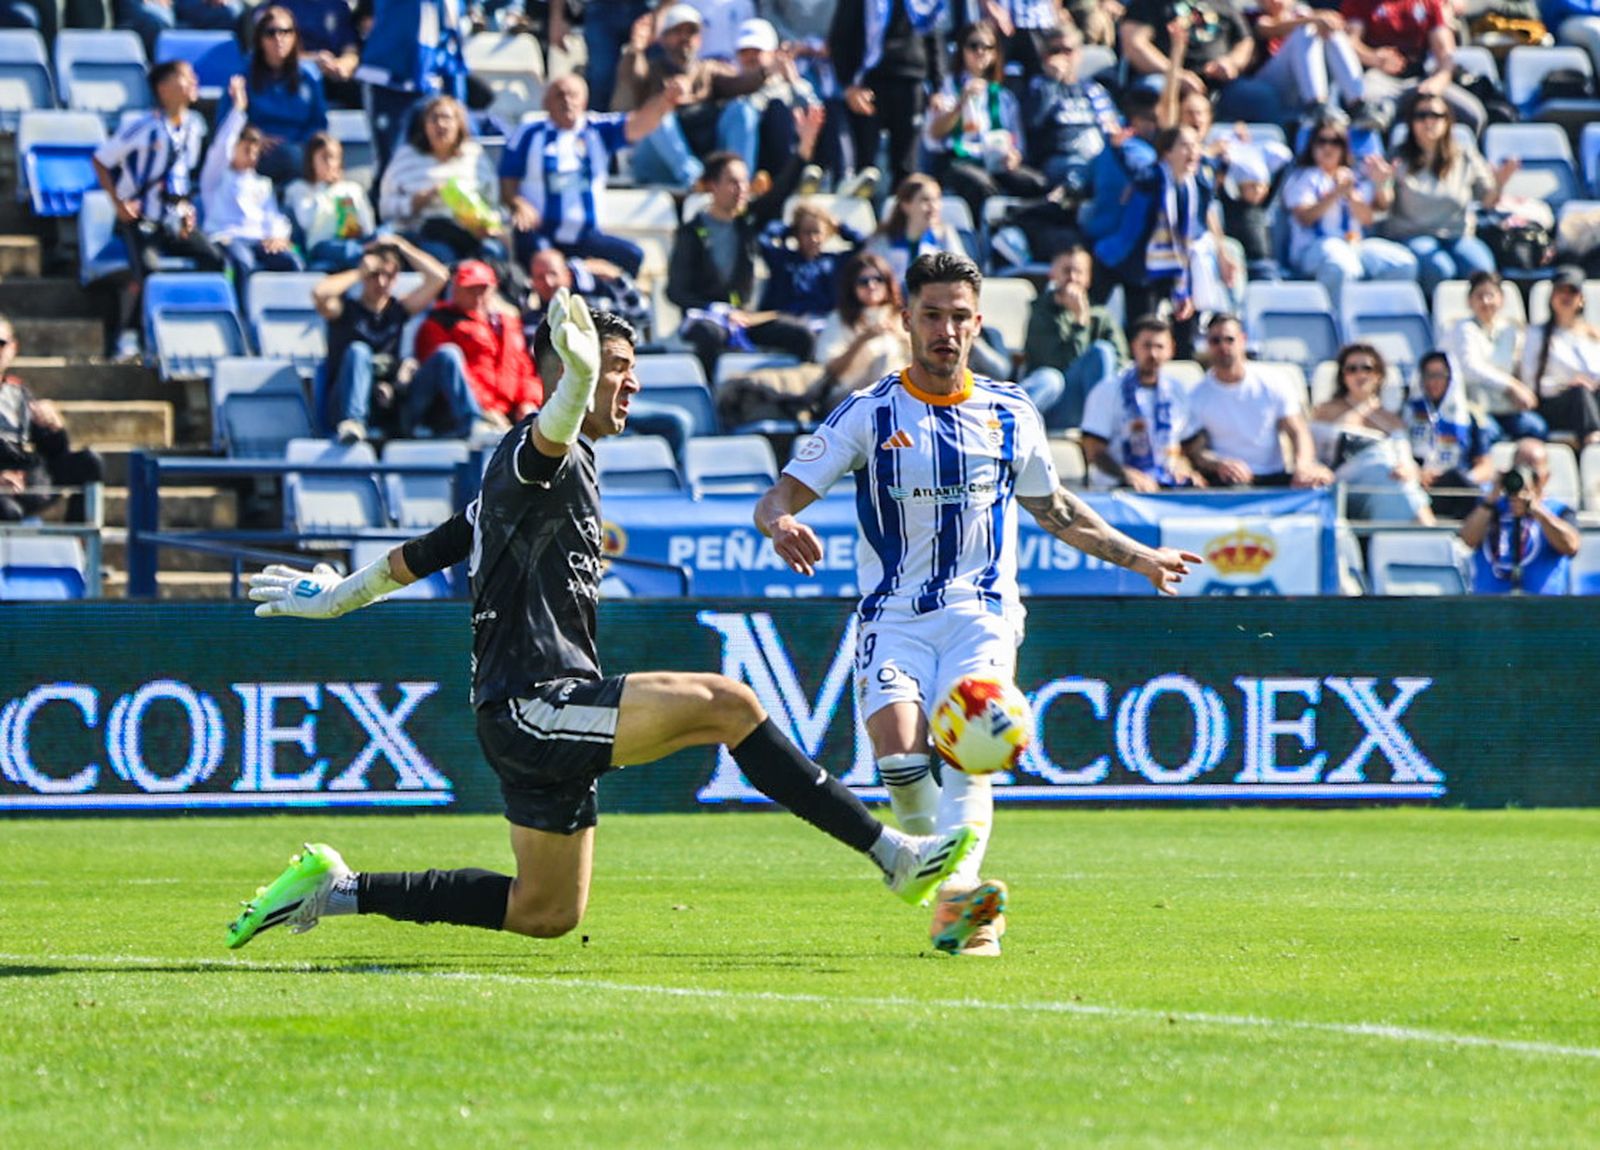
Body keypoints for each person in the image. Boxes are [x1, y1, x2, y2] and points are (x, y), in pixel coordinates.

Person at [228, 289, 981, 951]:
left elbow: (420, 554)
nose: (630, 383)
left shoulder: (529, 478)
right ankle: (892, 854)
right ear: (567, 366)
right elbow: (551, 428)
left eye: (629, 370)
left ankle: (335, 889)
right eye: (616, 367)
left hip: (533, 717)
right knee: (731, 704)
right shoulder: (538, 450)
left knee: (545, 911)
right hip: (536, 705)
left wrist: (334, 597)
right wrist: (580, 376)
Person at [753, 252, 1203, 956]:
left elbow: (1056, 509)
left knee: (973, 747)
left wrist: (1140, 557)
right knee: (900, 761)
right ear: (906, 320)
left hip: (982, 613)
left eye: (959, 316)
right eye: (931, 315)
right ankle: (929, 870)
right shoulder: (869, 413)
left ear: (978, 323)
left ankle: (960, 899)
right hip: (892, 616)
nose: (946, 330)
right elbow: (780, 493)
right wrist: (781, 522)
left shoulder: (1009, 410)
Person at [666, 109, 824, 375]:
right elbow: (676, 291)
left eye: (744, 182)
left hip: (745, 317)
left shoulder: (747, 222)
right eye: (732, 182)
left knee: (802, 335)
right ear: (712, 186)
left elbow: (779, 193)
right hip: (705, 319)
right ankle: (714, 400)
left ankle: (799, 395)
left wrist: (804, 148)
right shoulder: (690, 233)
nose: (741, 189)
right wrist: (718, 311)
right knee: (709, 335)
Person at [90, 61, 227, 354]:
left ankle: (194, 328)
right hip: (141, 219)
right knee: (150, 269)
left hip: (174, 218)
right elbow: (102, 160)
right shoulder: (142, 126)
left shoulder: (195, 126)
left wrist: (188, 210)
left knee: (214, 259)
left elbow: (184, 176)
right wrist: (119, 203)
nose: (194, 82)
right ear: (163, 88)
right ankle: (132, 335)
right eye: (185, 77)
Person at [499, 73, 686, 274]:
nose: (567, 101)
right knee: (542, 258)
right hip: (542, 232)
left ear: (584, 101)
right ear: (546, 102)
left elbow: (639, 123)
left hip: (586, 236)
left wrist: (665, 101)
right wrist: (517, 203)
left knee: (632, 256)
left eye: (573, 95)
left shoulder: (597, 130)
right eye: (559, 95)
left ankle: (601, 291)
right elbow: (507, 175)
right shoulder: (528, 133)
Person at [612, 3, 774, 188]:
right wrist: (636, 50)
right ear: (663, 38)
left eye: (691, 32)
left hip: (701, 151)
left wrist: (766, 71)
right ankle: (696, 181)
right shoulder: (651, 69)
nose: (685, 38)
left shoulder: (709, 69)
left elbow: (740, 83)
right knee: (659, 113)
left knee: (742, 110)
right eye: (677, 31)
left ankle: (738, 181)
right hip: (657, 161)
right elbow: (631, 77)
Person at [314, 237, 450, 444]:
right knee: (359, 351)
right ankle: (353, 422)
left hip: (388, 402)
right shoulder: (345, 311)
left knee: (447, 355)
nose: (381, 282)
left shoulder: (399, 309)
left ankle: (472, 424)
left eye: (388, 275)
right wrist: (360, 271)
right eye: (374, 275)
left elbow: (439, 277)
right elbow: (319, 293)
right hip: (345, 404)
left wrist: (401, 245)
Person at [1378, 98, 1515, 298]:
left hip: (1457, 235)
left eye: (1436, 116)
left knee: (1482, 269)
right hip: (1413, 234)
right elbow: (1383, 205)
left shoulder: (1465, 156)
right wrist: (1381, 183)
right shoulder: (1398, 157)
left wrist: (1501, 182)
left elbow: (1487, 200)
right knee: (1440, 269)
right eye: (1421, 116)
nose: (1428, 121)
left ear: (1448, 121)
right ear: (1411, 122)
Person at [1181, 313, 1334, 487]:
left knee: (1321, 481)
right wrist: (1219, 464)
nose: (1223, 347)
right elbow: (1196, 451)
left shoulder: (1273, 381)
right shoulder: (1197, 396)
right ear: (1208, 345)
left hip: (1275, 475)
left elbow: (1297, 430)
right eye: (1216, 341)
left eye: (1229, 340)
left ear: (1243, 340)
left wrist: (1304, 466)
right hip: (1229, 481)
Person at [1281, 112, 1417, 301]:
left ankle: (1373, 315)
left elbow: (1369, 219)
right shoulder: (1302, 177)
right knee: (1342, 265)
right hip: (1314, 247)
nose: (1328, 147)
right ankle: (1338, 322)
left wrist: (1368, 188)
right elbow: (1304, 217)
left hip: (1354, 245)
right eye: (1322, 141)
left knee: (1403, 264)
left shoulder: (1354, 177)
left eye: (1335, 142)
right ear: (1312, 145)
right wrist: (1335, 193)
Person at [922, 21, 1048, 224]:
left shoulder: (1004, 96)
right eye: (973, 46)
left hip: (996, 161)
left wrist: (1014, 156)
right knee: (983, 186)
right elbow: (933, 135)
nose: (980, 52)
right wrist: (960, 103)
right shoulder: (946, 89)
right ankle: (986, 239)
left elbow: (1016, 141)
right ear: (962, 50)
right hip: (956, 161)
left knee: (1036, 184)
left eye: (988, 47)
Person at [200, 77, 307, 295]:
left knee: (293, 262)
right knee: (243, 262)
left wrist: (279, 236)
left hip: (260, 241)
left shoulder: (262, 183)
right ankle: (243, 319)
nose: (252, 156)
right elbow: (222, 145)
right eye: (246, 149)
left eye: (256, 151)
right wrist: (239, 109)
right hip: (227, 238)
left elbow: (274, 216)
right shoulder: (215, 177)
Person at [378, 94, 507, 273]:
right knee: (443, 256)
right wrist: (414, 203)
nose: (440, 124)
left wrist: (486, 223)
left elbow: (494, 204)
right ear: (424, 125)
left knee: (494, 253)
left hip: (471, 234)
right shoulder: (406, 157)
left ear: (458, 123)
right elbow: (385, 208)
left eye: (446, 118)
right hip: (424, 233)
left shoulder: (474, 155)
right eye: (434, 119)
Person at [414, 260, 543, 436]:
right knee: (448, 355)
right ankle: (474, 420)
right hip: (454, 415)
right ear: (456, 290)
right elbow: (454, 376)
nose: (477, 296)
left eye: (483, 289)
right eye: (470, 289)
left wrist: (528, 401)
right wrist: (486, 408)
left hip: (506, 414)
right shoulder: (440, 323)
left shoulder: (508, 324)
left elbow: (524, 369)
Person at [1309, 342, 1434, 523]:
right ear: (1343, 376)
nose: (1360, 375)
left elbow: (1405, 459)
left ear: (1378, 374)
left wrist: (1407, 469)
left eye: (1367, 368)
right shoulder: (1325, 411)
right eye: (1352, 369)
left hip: (1387, 482)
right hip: (1341, 485)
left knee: (1398, 480)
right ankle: (1428, 527)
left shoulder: (1392, 420)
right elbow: (1310, 454)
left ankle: (1421, 530)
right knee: (1382, 464)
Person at [828, 0, 945, 192]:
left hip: (911, 84)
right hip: (869, 85)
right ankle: (863, 219)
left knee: (906, 166)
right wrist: (848, 85)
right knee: (865, 166)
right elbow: (840, 36)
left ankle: (902, 218)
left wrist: (937, 88)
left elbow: (933, 36)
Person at [1080, 314, 1205, 490]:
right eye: (1146, 346)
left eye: (1160, 347)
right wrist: (1127, 474)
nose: (1153, 354)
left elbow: (1190, 443)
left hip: (1166, 485)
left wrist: (1185, 467)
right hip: (1118, 488)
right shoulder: (1107, 390)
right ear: (1134, 348)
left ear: (1171, 350)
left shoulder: (1177, 391)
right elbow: (1093, 450)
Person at [0, 313, 103, 523]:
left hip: (24, 483)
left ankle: (80, 543)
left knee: (89, 462)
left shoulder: (17, 391)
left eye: (0, 344)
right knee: (8, 512)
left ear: (13, 348)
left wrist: (53, 428)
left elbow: (55, 452)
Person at [1120, 0, 1285, 124]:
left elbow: (1245, 40)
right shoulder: (1150, 4)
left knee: (1262, 97)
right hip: (1167, 79)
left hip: (1221, 87)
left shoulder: (1222, 3)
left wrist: (1232, 62)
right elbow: (1135, 43)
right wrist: (1176, 75)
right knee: (1153, 91)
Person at [1020, 245, 1128, 432]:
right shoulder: (1041, 312)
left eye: (1078, 271)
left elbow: (1119, 362)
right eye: (1066, 270)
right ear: (1053, 273)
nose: (1072, 277)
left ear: (1088, 278)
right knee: (1051, 378)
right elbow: (1055, 363)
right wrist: (1079, 323)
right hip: (1054, 404)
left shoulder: (1101, 316)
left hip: (1088, 408)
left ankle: (1100, 432)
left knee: (1102, 351)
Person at [1341, 0, 1485, 134]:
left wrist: (1440, 79)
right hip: (1379, 78)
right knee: (1369, 113)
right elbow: (1350, 42)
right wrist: (1373, 57)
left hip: (1419, 78)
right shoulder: (1361, 2)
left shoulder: (1428, 2)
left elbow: (1446, 54)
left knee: (1474, 115)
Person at [1459, 436, 1581, 595]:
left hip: (1543, 612)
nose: (1526, 477)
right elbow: (1468, 539)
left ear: (1546, 477)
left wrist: (1537, 511)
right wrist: (1492, 497)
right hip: (1490, 609)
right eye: (1521, 469)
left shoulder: (1558, 510)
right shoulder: (1490, 506)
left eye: (1533, 472)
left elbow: (1571, 546)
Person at [1022, 23, 1121, 197]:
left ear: (1078, 54)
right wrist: (1053, 81)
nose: (1062, 57)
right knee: (1077, 172)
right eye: (1055, 51)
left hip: (1096, 158)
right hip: (1060, 158)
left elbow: (1111, 126)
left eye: (1067, 50)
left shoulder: (1094, 91)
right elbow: (1032, 123)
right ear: (1045, 56)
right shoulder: (1039, 87)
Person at [1403, 349, 1501, 519]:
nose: (1433, 382)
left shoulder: (1470, 417)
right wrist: (1418, 473)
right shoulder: (1406, 414)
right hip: (1418, 484)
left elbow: (1485, 466)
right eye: (1428, 375)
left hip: (1456, 487)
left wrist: (1463, 479)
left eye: (1439, 375)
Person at [238, 6, 331, 185]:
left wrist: (301, 144)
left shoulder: (309, 75)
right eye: (270, 32)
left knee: (299, 156)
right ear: (260, 38)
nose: (278, 39)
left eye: (286, 32)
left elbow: (319, 123)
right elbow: (230, 119)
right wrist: (255, 138)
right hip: (258, 152)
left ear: (295, 36)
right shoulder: (244, 74)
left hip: (300, 151)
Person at [811, 251, 913, 414]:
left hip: (901, 396)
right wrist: (862, 340)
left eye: (878, 279)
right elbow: (831, 372)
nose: (871, 286)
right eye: (863, 282)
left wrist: (901, 338)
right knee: (883, 356)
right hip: (849, 398)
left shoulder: (903, 317)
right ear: (852, 286)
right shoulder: (838, 318)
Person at [1447, 271, 1544, 441]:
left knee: (1537, 428)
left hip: (1508, 409)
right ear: (1469, 301)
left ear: (1501, 299)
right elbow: (1471, 367)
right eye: (1479, 296)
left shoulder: (1512, 330)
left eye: (1490, 295)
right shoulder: (1463, 328)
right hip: (1477, 407)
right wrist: (1511, 386)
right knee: (1488, 432)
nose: (1486, 302)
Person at [1520, 265, 1600, 444]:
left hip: (1592, 401)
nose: (1566, 297)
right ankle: (1593, 440)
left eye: (1572, 292)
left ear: (1581, 299)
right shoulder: (1536, 335)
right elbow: (1530, 381)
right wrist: (1566, 386)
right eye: (1560, 291)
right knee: (1580, 394)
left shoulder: (1594, 336)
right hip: (1556, 405)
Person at [756, 200, 867, 324]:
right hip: (787, 321)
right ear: (797, 234)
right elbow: (763, 239)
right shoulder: (783, 259)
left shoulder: (834, 262)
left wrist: (840, 227)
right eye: (807, 232)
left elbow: (865, 246)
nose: (813, 239)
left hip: (822, 322)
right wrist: (788, 229)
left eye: (817, 232)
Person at [1245, 0, 1364, 114]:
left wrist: (1328, 21)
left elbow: (1333, 21)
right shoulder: (1253, 14)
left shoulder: (1302, 12)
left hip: (1300, 84)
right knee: (1305, 30)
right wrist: (1312, 20)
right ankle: (1316, 106)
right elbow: (1267, 29)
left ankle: (1358, 104)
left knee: (1331, 31)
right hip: (1269, 83)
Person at [284, 133, 379, 272]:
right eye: (324, 157)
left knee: (384, 234)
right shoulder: (299, 189)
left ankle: (366, 252)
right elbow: (306, 221)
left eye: (334, 158)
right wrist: (323, 187)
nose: (330, 163)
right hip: (322, 246)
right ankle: (367, 253)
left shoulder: (352, 189)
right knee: (344, 250)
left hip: (353, 241)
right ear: (311, 160)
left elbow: (369, 227)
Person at [864, 173, 971, 287]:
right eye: (925, 200)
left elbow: (963, 274)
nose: (933, 207)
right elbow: (868, 276)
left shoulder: (945, 236)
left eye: (936, 200)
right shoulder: (883, 239)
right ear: (906, 205)